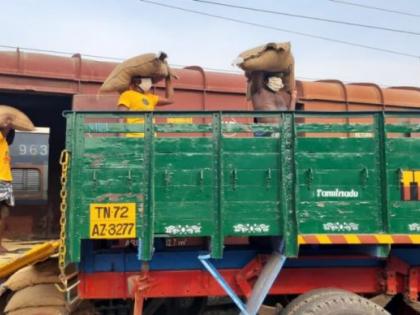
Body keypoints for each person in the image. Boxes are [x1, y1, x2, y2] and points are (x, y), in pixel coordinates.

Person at [0, 125, 15, 253]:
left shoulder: (5, 144)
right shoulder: (0, 139)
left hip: (5, 182)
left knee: (4, 215)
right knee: (2, 215)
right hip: (1, 182)